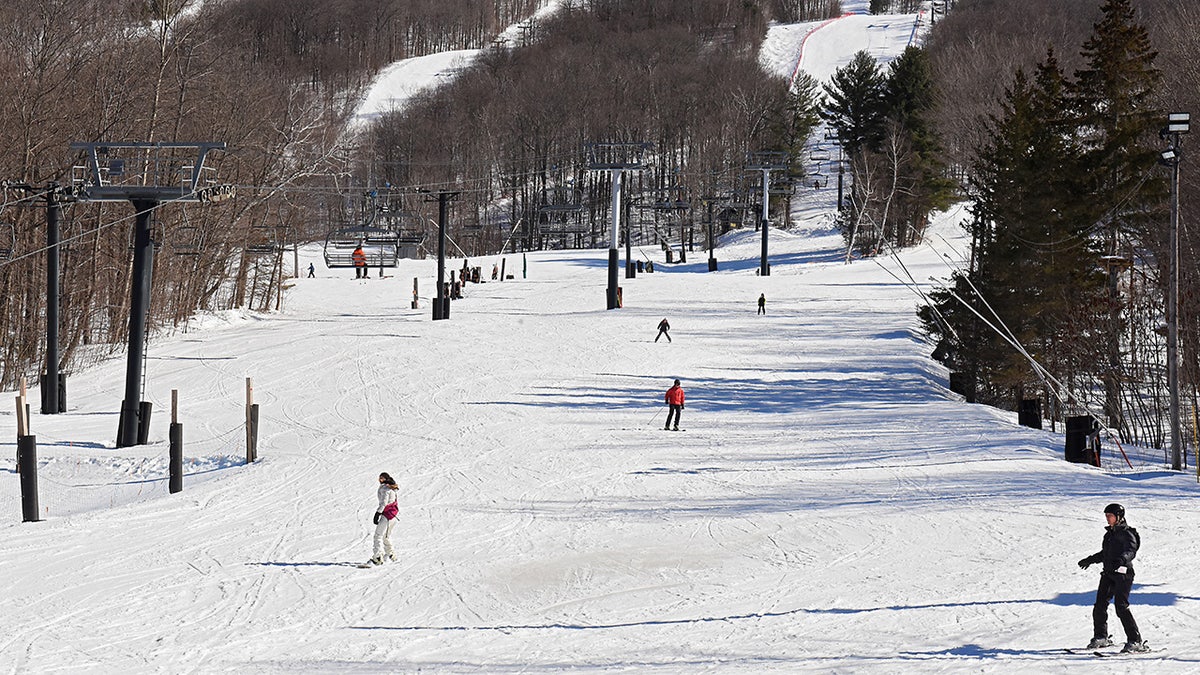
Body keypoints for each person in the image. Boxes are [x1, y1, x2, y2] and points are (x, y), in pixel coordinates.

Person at [1078, 503, 1147, 653]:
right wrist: (1089, 559)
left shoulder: (1127, 533)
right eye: (1106, 516)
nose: (1107, 518)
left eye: (1110, 516)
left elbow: (1131, 550)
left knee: (1121, 607)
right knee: (1100, 606)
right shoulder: (1109, 534)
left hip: (1123, 574)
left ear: (1119, 517)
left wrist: (1122, 559)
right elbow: (1105, 554)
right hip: (1108, 573)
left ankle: (1135, 641)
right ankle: (1101, 637)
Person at [367, 472, 400, 566]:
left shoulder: (386, 489)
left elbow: (384, 503)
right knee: (386, 537)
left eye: (381, 478)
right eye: (379, 478)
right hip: (392, 515)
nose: (379, 480)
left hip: (387, 515)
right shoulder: (391, 488)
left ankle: (377, 558)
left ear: (386, 478)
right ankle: (390, 555)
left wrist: (378, 513)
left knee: (378, 535)